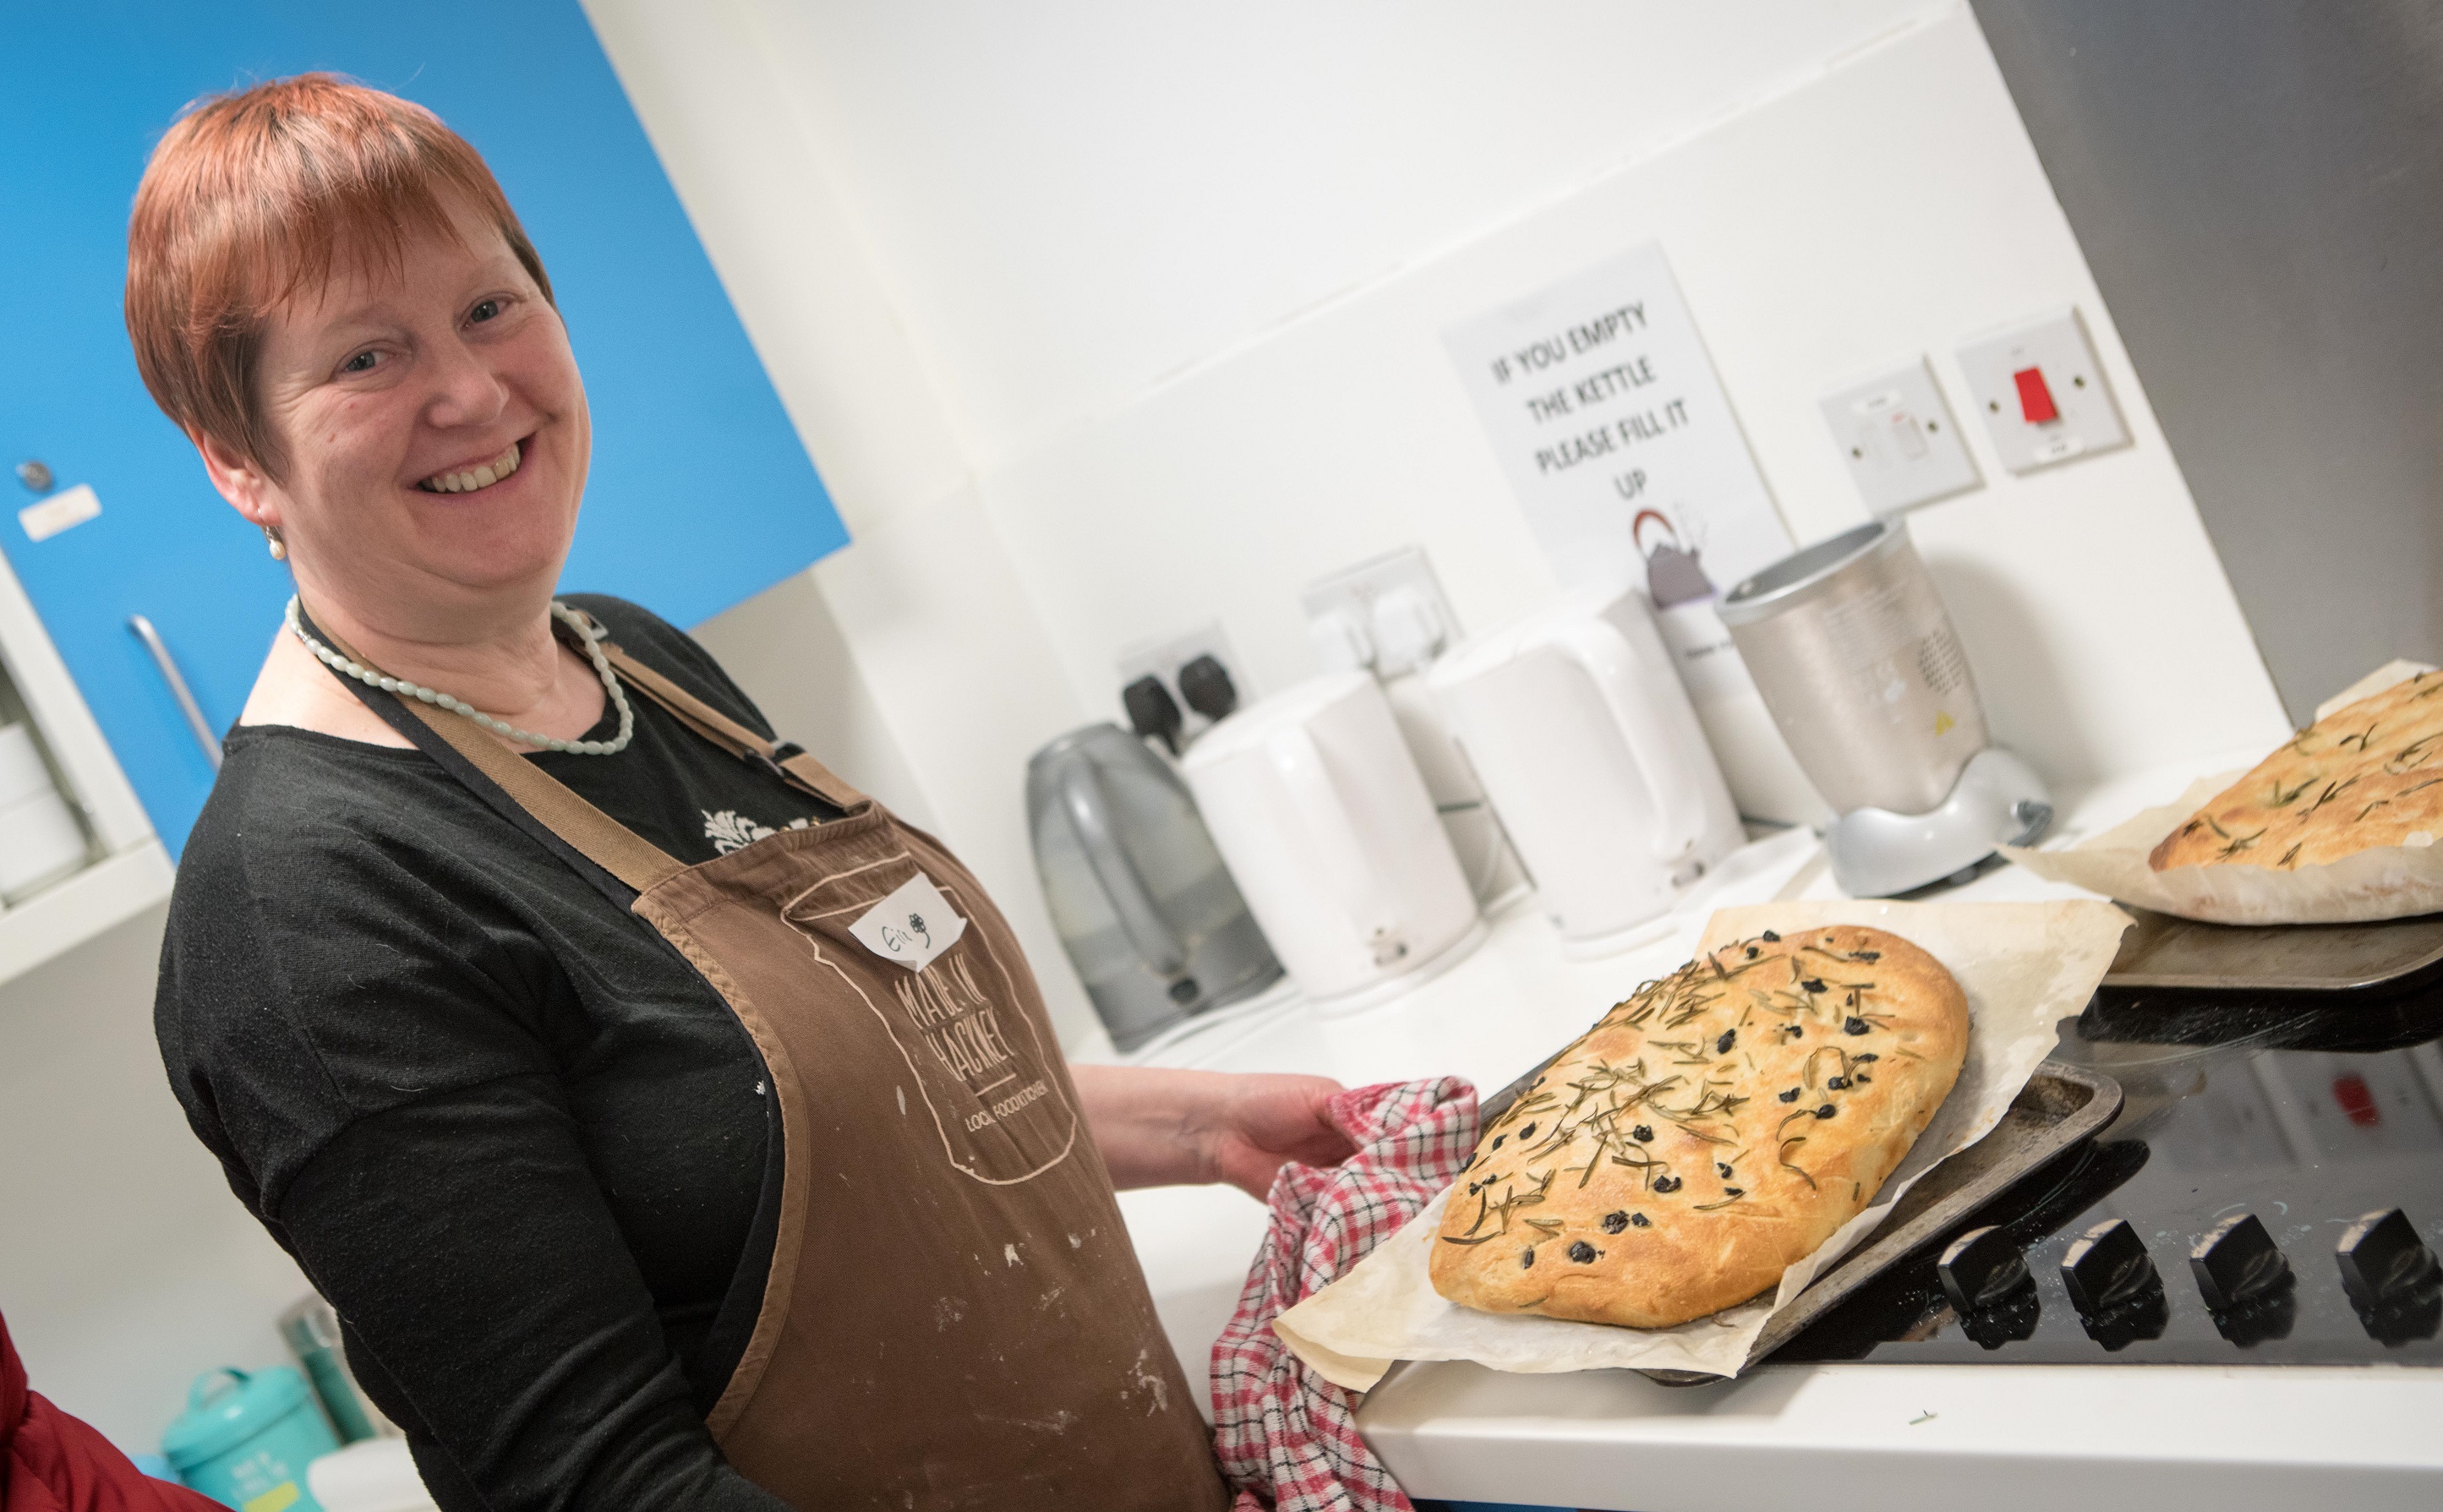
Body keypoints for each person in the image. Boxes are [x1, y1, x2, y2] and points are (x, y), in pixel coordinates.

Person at [139, 75, 1353, 1511]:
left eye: (487, 307)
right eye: (365, 358)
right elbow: (598, 1485)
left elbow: (844, 1116)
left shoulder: (637, 658)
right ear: (236, 460)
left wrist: (1212, 1128)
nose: (469, 392)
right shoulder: (302, 911)